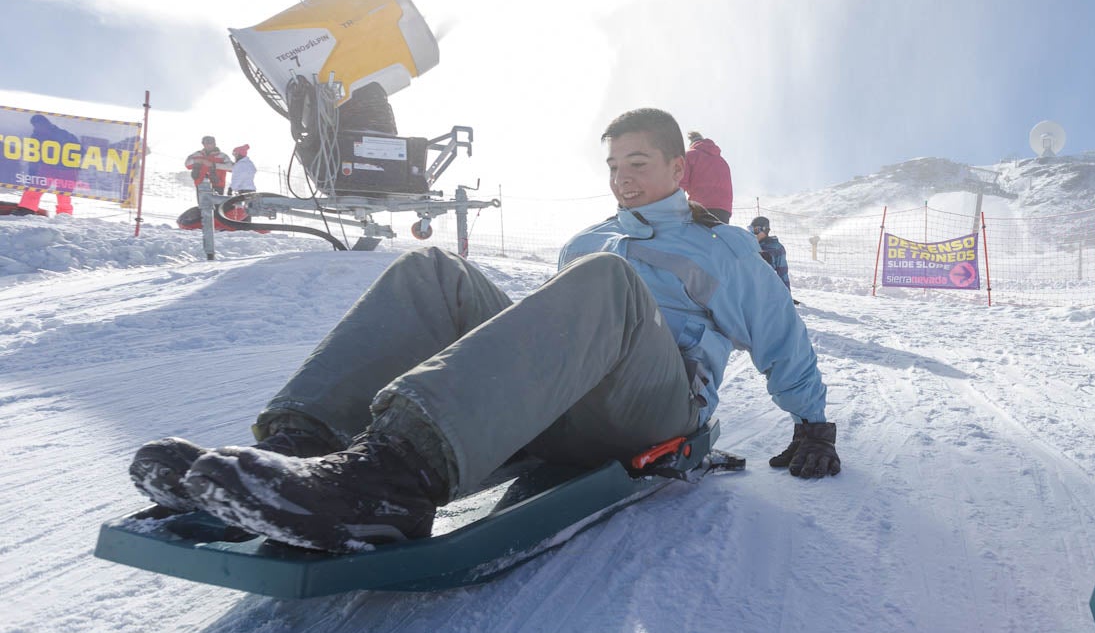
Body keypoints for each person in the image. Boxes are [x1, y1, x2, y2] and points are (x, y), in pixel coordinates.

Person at [129, 108, 841, 552]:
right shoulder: (588, 239)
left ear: (677, 169)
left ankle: (393, 481)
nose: (623, 178)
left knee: (608, 282)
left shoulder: (721, 247)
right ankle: (302, 453)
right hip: (575, 400)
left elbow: (780, 334)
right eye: (614, 165)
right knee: (434, 271)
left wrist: (812, 422)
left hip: (659, 404)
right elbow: (545, 331)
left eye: (640, 163)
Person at [683, 130, 733, 223]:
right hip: (724, 211)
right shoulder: (723, 161)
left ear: (692, 144)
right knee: (717, 236)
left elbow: (680, 184)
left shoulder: (690, 155)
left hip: (701, 208)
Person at [748, 216, 791, 293]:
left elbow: (783, 273)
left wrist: (787, 295)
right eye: (750, 229)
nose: (752, 233)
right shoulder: (748, 244)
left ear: (765, 230)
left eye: (756, 230)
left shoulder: (777, 248)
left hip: (766, 290)